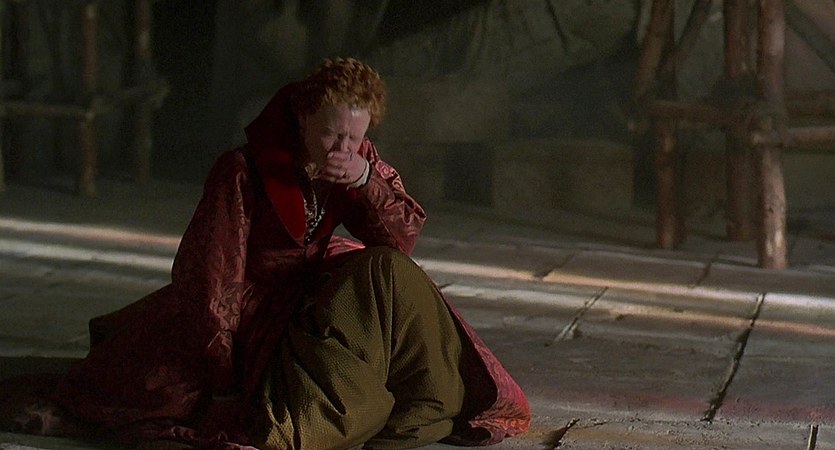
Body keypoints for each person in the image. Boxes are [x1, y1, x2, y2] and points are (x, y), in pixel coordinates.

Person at [0, 58, 530, 449]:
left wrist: (365, 181)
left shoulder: (357, 158)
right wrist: (224, 382)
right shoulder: (243, 170)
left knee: (391, 274)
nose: (344, 148)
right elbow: (211, 279)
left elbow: (399, 241)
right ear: (303, 117)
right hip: (253, 303)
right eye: (333, 135)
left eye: (356, 137)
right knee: (201, 400)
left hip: (314, 286)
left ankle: (420, 399)